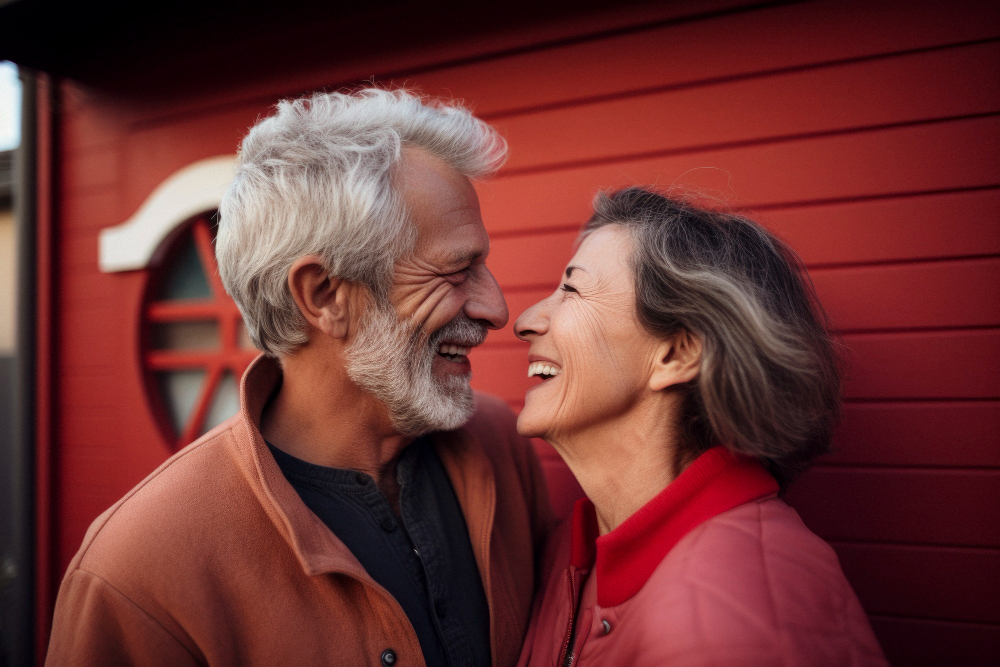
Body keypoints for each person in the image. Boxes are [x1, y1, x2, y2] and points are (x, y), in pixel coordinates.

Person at [46, 89, 553, 667]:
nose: (496, 308)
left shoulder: (497, 444)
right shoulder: (137, 571)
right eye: (456, 272)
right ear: (324, 295)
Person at [514, 188, 887, 666]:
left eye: (571, 289)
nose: (524, 321)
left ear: (677, 354)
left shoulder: (728, 628)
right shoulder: (569, 551)